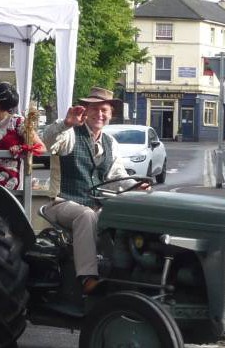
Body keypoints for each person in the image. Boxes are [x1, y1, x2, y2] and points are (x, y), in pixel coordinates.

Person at [42, 87, 149, 294]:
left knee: (123, 217)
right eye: (95, 109)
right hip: (61, 202)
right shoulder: (70, 134)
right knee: (86, 215)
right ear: (86, 111)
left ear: (111, 114)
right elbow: (48, 141)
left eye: (104, 110)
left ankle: (123, 275)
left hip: (95, 204)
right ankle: (87, 279)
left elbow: (116, 177)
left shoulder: (110, 142)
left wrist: (136, 186)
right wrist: (66, 123)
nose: (99, 114)